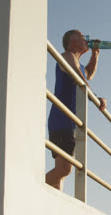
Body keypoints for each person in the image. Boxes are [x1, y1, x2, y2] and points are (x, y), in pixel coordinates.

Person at [46, 29, 107, 190]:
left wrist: (95, 55)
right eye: (83, 38)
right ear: (72, 42)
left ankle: (53, 207)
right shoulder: (67, 56)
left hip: (70, 122)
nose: (86, 40)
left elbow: (88, 74)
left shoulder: (77, 63)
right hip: (62, 119)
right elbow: (78, 77)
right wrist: (95, 98)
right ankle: (33, 188)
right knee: (65, 169)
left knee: (60, 175)